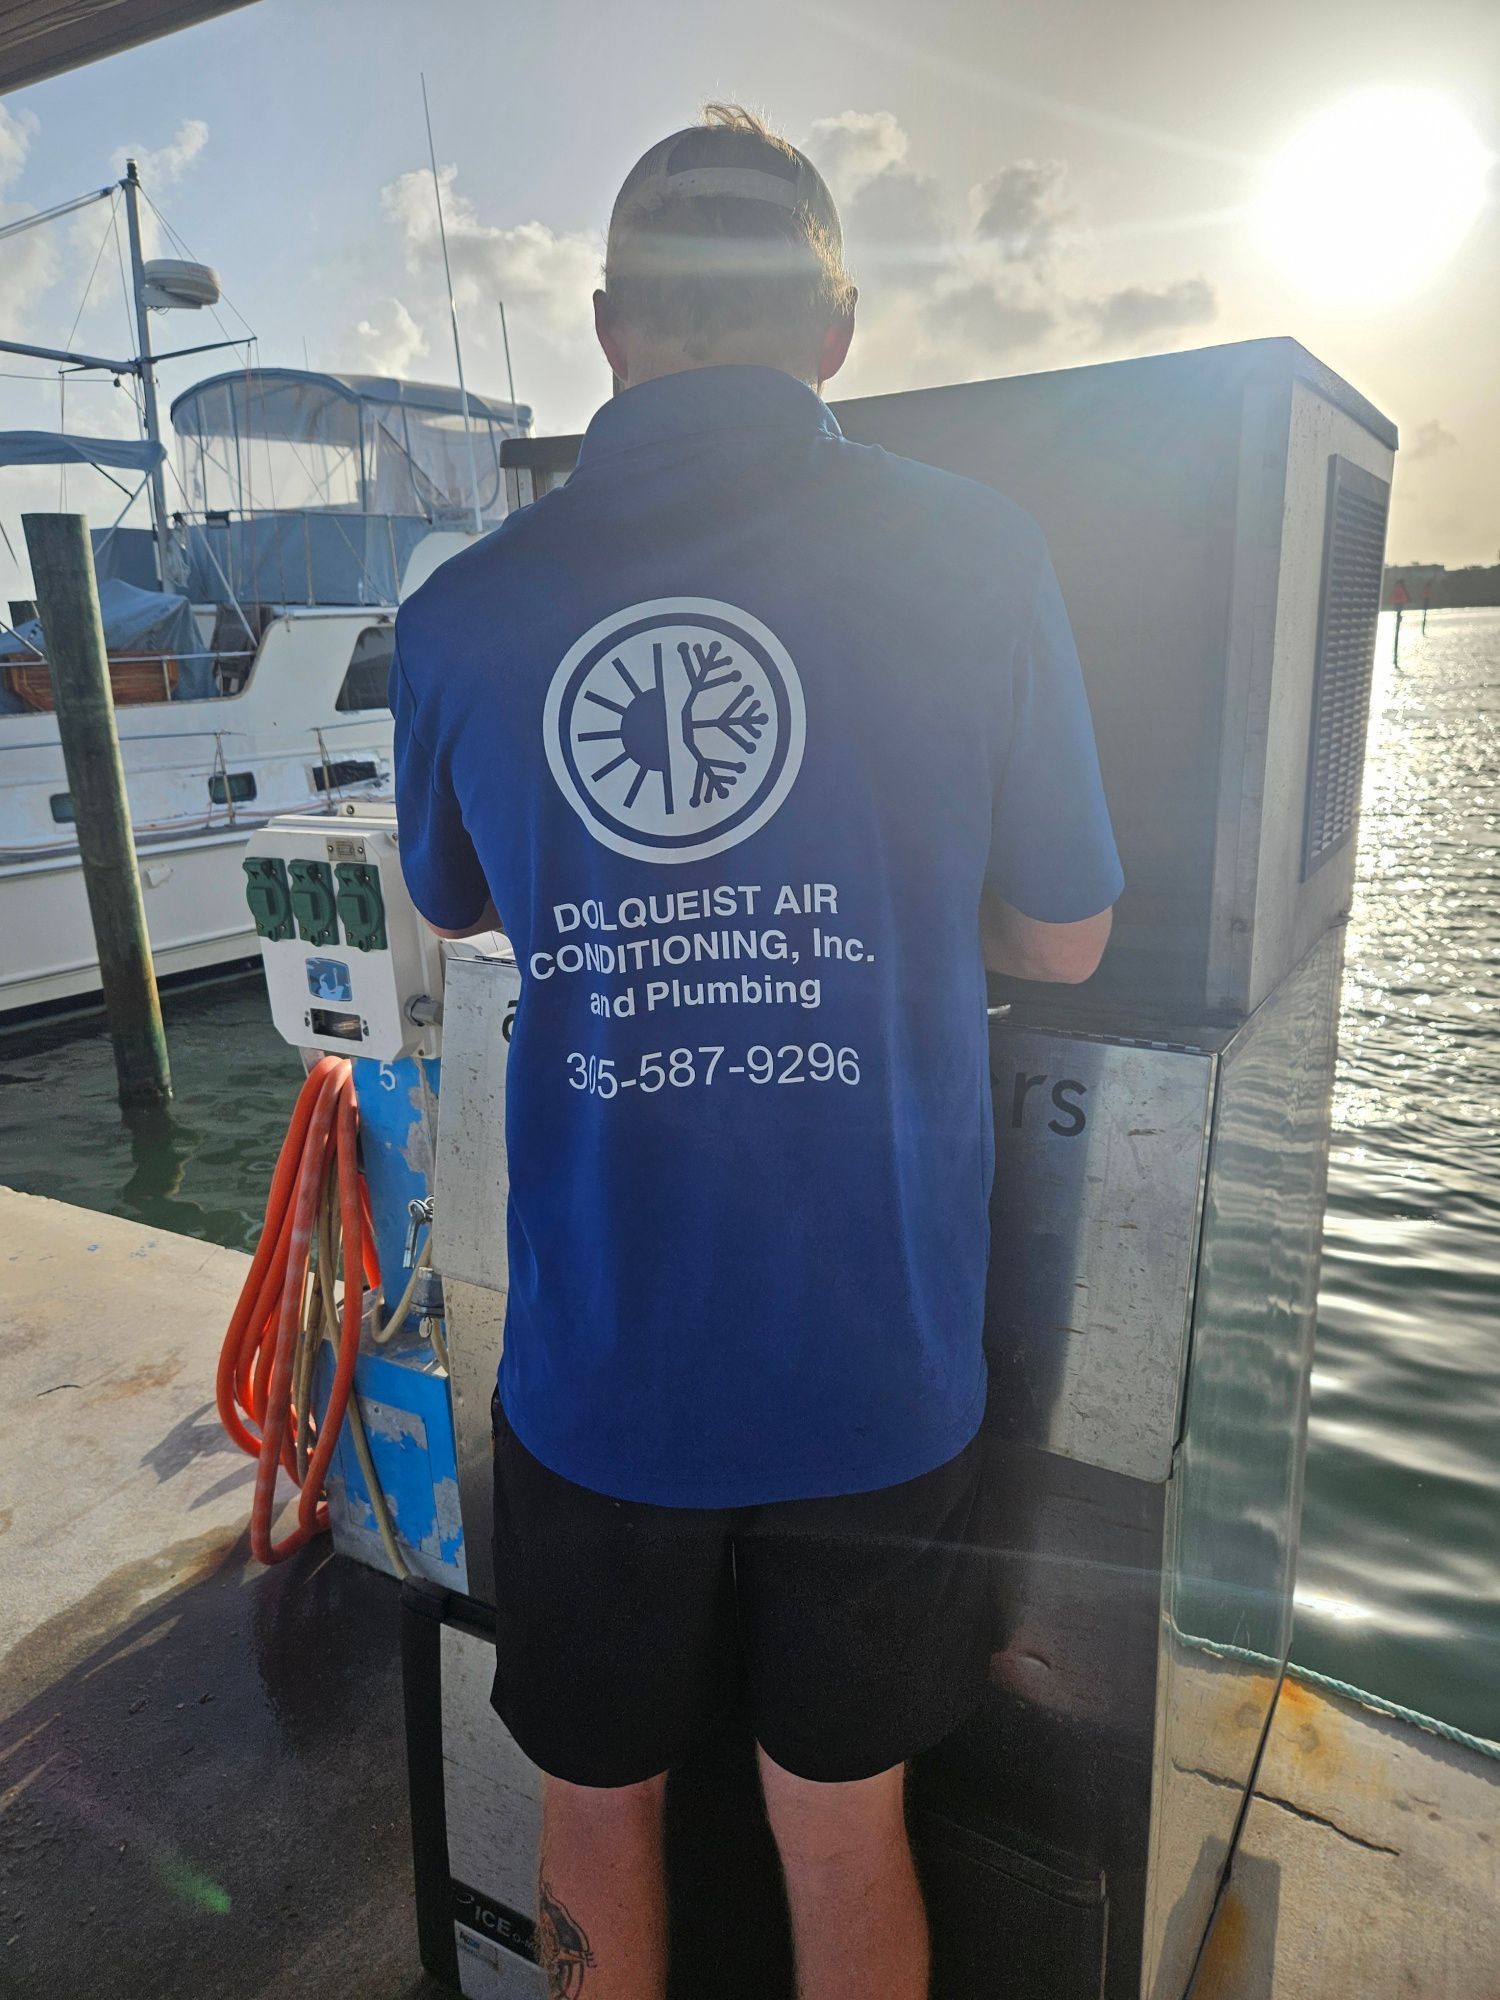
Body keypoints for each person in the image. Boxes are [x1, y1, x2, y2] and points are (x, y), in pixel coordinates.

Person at [392, 104, 1122, 2000]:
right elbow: (1068, 932)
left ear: (614, 329)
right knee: (840, 1819)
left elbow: (465, 904)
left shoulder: (465, 615)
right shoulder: (981, 555)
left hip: (598, 1379)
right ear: (835, 331)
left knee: (596, 1814)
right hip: (878, 1372)